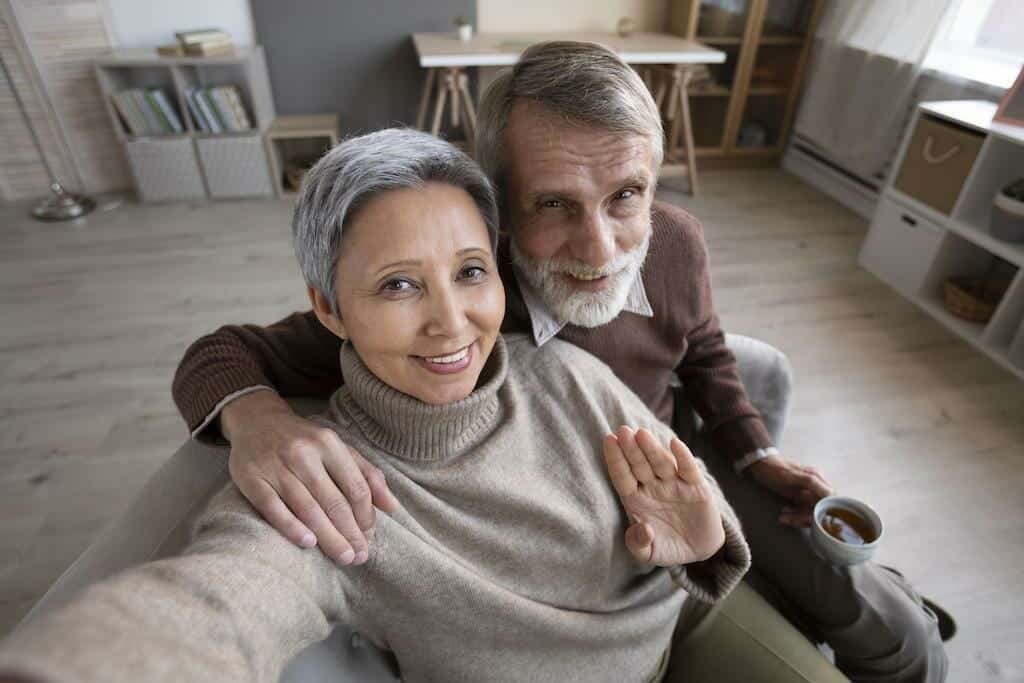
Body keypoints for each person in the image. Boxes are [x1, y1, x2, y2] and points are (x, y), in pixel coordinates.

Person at [171, 42, 949, 682]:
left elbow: (705, 349)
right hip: (603, 531)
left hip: (683, 464)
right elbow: (221, 353)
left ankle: (904, 611)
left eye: (626, 195)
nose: (603, 249)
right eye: (554, 205)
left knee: (881, 622)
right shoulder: (461, 299)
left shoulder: (674, 242)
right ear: (500, 211)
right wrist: (257, 419)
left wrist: (756, 449)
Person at [0, 129, 752, 683]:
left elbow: (693, 497)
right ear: (329, 308)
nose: (451, 322)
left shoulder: (559, 372)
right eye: (398, 284)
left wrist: (705, 533)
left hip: (688, 621)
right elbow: (217, 602)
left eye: (470, 271)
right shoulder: (331, 492)